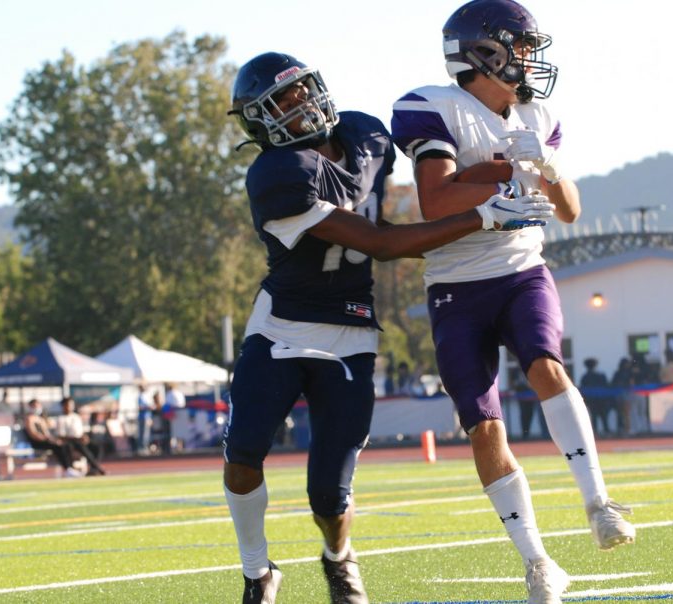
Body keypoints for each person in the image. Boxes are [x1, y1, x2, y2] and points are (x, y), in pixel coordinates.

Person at [224, 50, 554, 604]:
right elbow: (381, 244)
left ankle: (338, 557)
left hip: (352, 332)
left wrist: (504, 170)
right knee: (243, 452)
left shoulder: (365, 135)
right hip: (282, 328)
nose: (298, 104)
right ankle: (258, 571)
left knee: (329, 492)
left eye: (300, 90)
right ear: (260, 121)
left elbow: (423, 189)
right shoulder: (277, 174)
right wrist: (484, 215)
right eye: (280, 102)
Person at [390, 1, 635, 600]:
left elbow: (571, 209)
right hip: (457, 284)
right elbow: (436, 201)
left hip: (523, 269)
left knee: (547, 366)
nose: (530, 59)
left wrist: (545, 164)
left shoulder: (536, 112)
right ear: (485, 52)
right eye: (520, 47)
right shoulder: (435, 108)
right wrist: (501, 175)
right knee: (483, 427)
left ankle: (599, 503)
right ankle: (538, 561)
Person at [22, 399, 81, 477]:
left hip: (46, 441)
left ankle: (70, 468)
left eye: (38, 406)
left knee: (65, 445)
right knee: (58, 446)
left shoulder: (40, 418)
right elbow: (34, 434)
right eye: (35, 406)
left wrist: (52, 438)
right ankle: (67, 469)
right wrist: (47, 439)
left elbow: (47, 431)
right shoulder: (29, 418)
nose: (37, 408)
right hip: (37, 442)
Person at [55, 397, 107, 476]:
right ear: (63, 406)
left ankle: (93, 469)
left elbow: (80, 431)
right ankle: (97, 467)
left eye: (71, 405)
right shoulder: (61, 419)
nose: (70, 407)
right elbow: (61, 435)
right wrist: (77, 438)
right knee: (81, 448)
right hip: (71, 442)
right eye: (68, 405)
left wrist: (84, 437)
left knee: (97, 447)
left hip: (80, 440)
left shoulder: (76, 417)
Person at [579, 358, 611, 436]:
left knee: (594, 417)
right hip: (602, 399)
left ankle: (595, 433)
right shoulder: (601, 375)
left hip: (591, 400)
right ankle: (606, 431)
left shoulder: (585, 377)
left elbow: (583, 389)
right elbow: (606, 387)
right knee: (604, 416)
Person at [137, 385, 153, 454]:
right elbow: (141, 407)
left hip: (146, 417)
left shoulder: (145, 396)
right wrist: (149, 407)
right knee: (144, 433)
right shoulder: (142, 396)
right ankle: (143, 448)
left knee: (146, 433)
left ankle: (144, 447)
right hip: (144, 417)